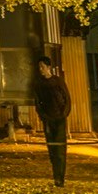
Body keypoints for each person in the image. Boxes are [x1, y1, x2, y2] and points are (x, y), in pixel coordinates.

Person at [34, 53, 72, 186]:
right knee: (52, 149)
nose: (40, 69)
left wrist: (64, 114)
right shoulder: (39, 83)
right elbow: (37, 102)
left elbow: (67, 98)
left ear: (48, 67)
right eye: (39, 67)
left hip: (59, 118)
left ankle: (60, 177)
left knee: (60, 149)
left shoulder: (58, 81)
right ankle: (56, 175)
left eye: (42, 66)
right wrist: (43, 116)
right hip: (48, 119)